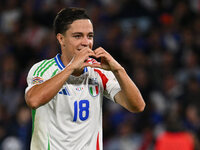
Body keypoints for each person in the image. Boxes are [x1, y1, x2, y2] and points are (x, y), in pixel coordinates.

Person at [25, 7, 145, 150]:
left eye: (90, 36)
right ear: (61, 39)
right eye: (77, 36)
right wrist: (70, 68)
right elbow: (33, 100)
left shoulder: (98, 71)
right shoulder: (43, 69)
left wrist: (118, 70)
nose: (85, 42)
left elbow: (137, 106)